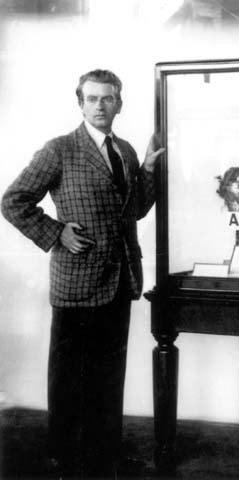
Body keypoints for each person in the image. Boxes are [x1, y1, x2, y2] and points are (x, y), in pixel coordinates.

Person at [1, 69, 164, 478]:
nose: (100, 106)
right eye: (92, 99)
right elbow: (13, 200)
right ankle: (65, 459)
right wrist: (57, 232)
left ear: (119, 104)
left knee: (109, 377)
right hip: (76, 283)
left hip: (120, 280)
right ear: (80, 103)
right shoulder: (59, 150)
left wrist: (147, 169)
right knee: (69, 378)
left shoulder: (125, 151)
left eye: (107, 98)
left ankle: (104, 456)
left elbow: (135, 210)